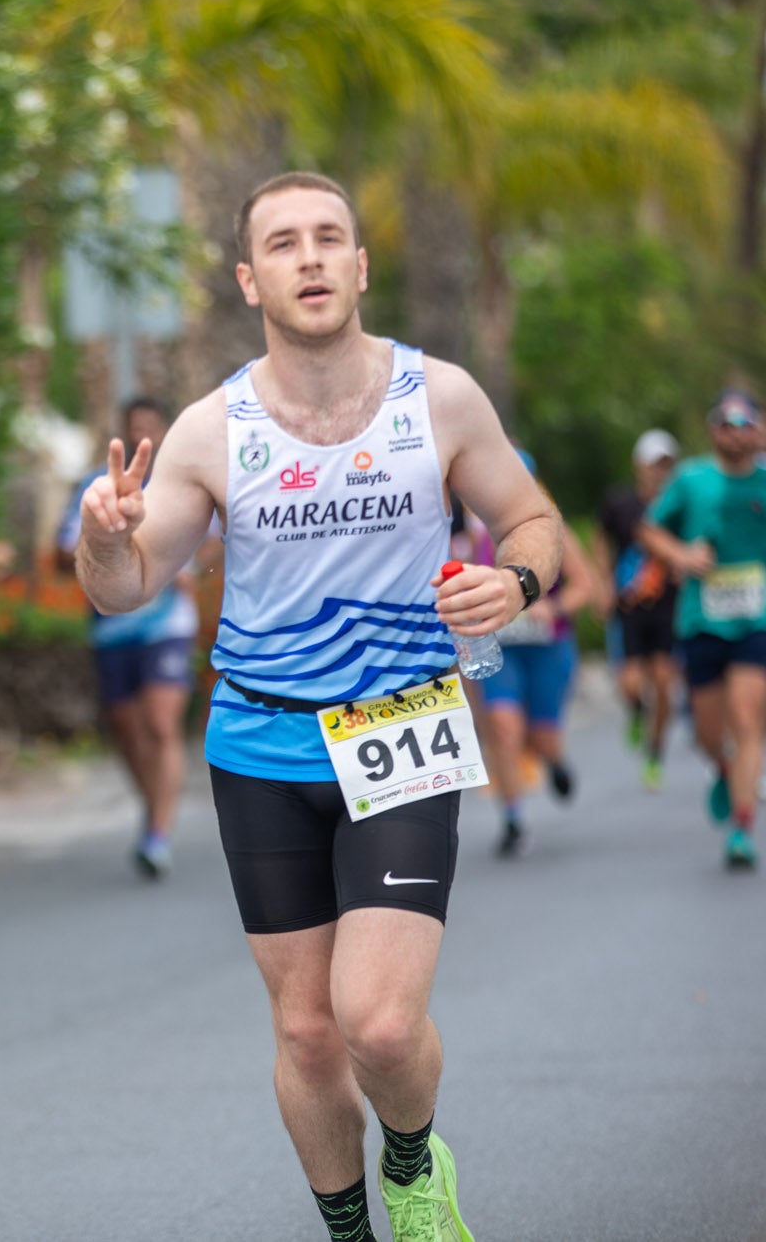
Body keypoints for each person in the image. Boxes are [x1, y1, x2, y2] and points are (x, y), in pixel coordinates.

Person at [76, 172, 561, 1242]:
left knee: (378, 1025)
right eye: (283, 243)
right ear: (249, 278)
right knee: (304, 1033)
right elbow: (121, 585)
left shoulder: (436, 398)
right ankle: (346, 1229)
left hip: (400, 725)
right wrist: (102, 535)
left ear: (358, 265)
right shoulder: (211, 429)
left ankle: (408, 1157)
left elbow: (531, 519)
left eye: (327, 238)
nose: (308, 257)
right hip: (258, 740)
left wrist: (515, 581)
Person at [638, 390, 766, 871]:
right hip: (702, 620)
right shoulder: (691, 479)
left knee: (749, 715)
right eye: (726, 423)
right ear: (714, 430)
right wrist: (682, 556)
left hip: (760, 616)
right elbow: (650, 529)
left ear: (761, 430)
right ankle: (726, 768)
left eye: (745, 422)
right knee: (709, 732)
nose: (736, 432)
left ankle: (743, 826)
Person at [57, 397, 219, 878]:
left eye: (153, 426)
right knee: (128, 733)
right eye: (136, 428)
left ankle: (159, 832)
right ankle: (153, 809)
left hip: (168, 626)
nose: (145, 434)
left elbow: (216, 535)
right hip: (113, 626)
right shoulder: (97, 484)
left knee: (161, 724)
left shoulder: (188, 481)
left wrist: (187, 567)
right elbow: (65, 545)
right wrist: (106, 534)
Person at [472, 454, 599, 857]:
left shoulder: (552, 530)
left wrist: (552, 607)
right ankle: (512, 818)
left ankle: (554, 760)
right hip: (501, 651)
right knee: (504, 727)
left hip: (547, 648)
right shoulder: (474, 536)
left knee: (540, 737)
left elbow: (585, 586)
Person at [595, 430, 681, 790]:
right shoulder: (620, 503)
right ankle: (635, 711)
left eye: (666, 465)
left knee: (663, 684)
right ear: (639, 466)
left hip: (669, 606)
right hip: (629, 606)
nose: (659, 472)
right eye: (654, 464)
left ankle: (655, 753)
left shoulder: (679, 505)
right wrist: (603, 585)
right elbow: (601, 539)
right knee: (630, 684)